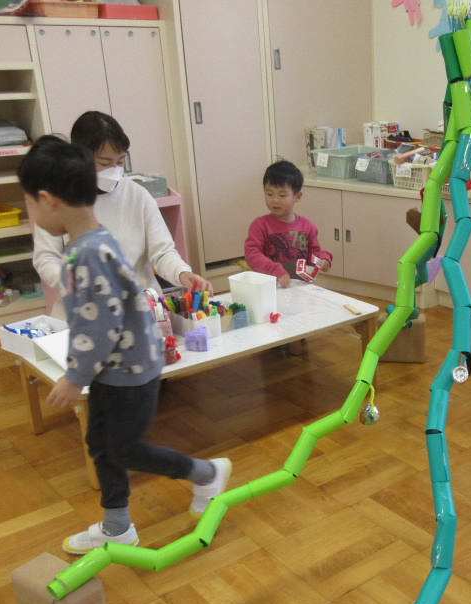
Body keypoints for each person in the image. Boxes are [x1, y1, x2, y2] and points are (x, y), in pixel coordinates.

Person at [17, 135, 231, 554]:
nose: (32, 214)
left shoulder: (89, 255)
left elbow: (100, 327)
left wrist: (74, 377)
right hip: (114, 368)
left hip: (129, 372)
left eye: (29, 204)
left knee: (125, 449)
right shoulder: (91, 242)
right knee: (101, 445)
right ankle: (117, 526)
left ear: (48, 200)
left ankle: (206, 473)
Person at [32, 111, 211, 319]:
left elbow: (162, 252)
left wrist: (183, 273)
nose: (114, 170)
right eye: (105, 162)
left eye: (120, 161)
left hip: (138, 307)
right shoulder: (58, 200)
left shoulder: (137, 195)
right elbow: (46, 258)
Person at [244, 160, 332, 288]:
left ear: (297, 196)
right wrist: (274, 269)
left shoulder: (308, 227)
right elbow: (252, 254)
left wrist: (324, 259)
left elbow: (313, 256)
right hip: (270, 287)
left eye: (282, 195)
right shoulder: (259, 225)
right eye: (269, 194)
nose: (275, 200)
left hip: (300, 287)